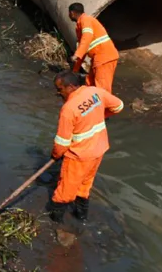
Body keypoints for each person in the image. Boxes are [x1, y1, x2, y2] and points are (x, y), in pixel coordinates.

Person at [48, 71, 124, 223]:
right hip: (99, 150)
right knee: (84, 186)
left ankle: (55, 224)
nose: (58, 93)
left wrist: (55, 156)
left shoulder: (68, 109)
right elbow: (118, 106)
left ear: (70, 87)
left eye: (60, 89)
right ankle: (81, 218)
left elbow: (62, 143)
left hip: (79, 156)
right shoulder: (95, 92)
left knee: (64, 192)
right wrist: (96, 116)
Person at [69, 3, 119, 94]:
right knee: (90, 84)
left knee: (102, 90)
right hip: (99, 59)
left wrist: (76, 55)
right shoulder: (81, 25)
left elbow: (86, 38)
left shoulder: (86, 20)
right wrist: (75, 70)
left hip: (104, 57)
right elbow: (83, 48)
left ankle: (106, 107)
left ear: (72, 13)